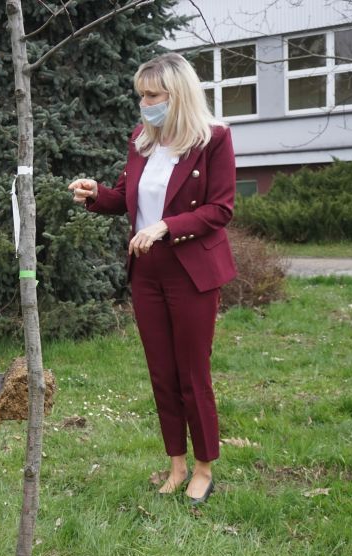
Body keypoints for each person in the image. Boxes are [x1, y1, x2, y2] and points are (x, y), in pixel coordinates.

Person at [68, 52, 236, 505]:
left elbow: (220, 209)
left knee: (192, 374)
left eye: (153, 95)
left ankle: (204, 469)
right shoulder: (142, 139)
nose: (144, 103)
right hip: (146, 273)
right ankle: (176, 465)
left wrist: (167, 225)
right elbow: (126, 198)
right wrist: (94, 194)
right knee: (162, 373)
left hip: (191, 272)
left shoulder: (213, 139)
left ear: (177, 96)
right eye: (141, 95)